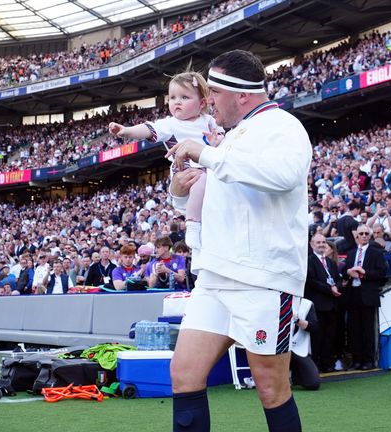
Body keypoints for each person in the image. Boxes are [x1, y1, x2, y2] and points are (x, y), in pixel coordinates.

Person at [166, 50, 310, 432]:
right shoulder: (231, 138)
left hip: (263, 278)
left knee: (270, 386)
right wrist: (179, 193)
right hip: (215, 275)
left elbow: (284, 176)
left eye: (213, 92)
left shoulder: (283, 124)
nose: (207, 100)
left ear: (241, 95)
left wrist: (209, 156)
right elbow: (218, 200)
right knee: (184, 373)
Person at [109, 71, 221, 252]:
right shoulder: (171, 123)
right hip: (187, 171)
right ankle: (192, 224)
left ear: (201, 103)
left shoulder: (209, 121)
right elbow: (148, 129)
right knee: (200, 182)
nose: (177, 102)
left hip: (210, 168)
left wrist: (217, 141)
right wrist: (126, 131)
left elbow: (221, 137)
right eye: (173, 97)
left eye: (184, 97)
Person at [342, 224, 387, 371]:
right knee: (354, 330)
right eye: (360, 234)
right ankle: (356, 360)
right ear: (357, 237)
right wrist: (348, 272)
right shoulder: (351, 253)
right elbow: (344, 273)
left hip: (367, 294)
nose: (363, 236)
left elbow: (382, 274)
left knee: (368, 330)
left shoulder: (376, 253)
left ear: (370, 236)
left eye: (366, 234)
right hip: (352, 294)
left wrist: (364, 273)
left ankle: (368, 360)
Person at [304, 233, 342, 373]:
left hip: (331, 306)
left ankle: (327, 364)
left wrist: (337, 287)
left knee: (329, 336)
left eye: (323, 242)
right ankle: (315, 366)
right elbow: (312, 281)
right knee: (317, 338)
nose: (321, 244)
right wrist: (330, 289)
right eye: (318, 242)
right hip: (317, 306)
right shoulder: (308, 261)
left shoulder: (331, 263)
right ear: (312, 244)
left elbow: (337, 279)